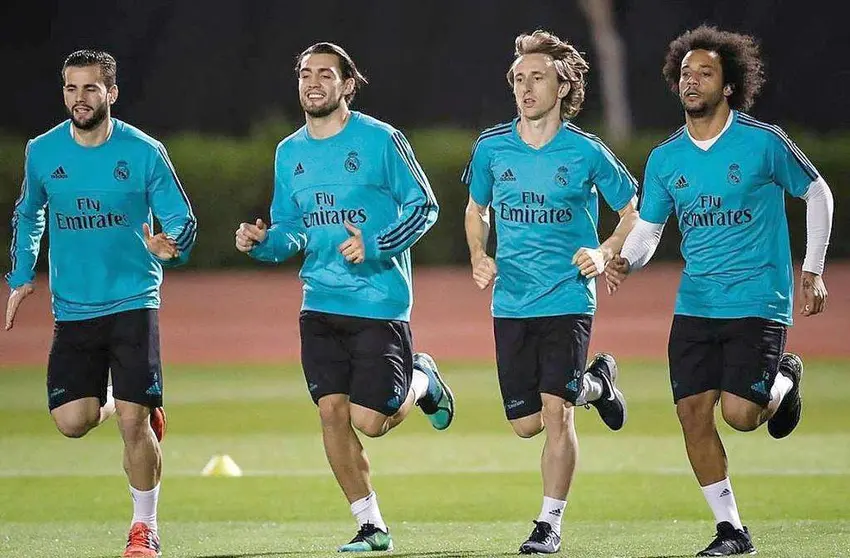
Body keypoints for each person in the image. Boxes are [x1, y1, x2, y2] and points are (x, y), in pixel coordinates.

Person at [605, 25, 834, 556]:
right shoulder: (665, 159)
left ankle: (783, 381)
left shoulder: (762, 142)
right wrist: (626, 261)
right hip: (696, 306)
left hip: (758, 301)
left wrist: (814, 268)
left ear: (728, 85)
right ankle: (731, 530)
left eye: (705, 72)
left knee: (741, 416)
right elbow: (650, 231)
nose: (692, 80)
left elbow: (817, 191)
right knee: (691, 414)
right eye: (686, 72)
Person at [234, 42, 454, 553]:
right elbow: (291, 229)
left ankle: (423, 379)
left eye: (325, 74)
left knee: (371, 422)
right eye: (305, 73)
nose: (313, 82)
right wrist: (265, 244)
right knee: (331, 411)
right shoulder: (288, 152)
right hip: (319, 303)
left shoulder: (381, 140)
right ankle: (370, 525)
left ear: (347, 85)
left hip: (379, 301)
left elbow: (426, 207)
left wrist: (376, 243)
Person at [4, 49, 197, 557]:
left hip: (134, 301)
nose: (79, 98)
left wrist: (170, 244)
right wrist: (22, 275)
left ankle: (143, 529)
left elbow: (182, 218)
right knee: (72, 422)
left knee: (134, 425)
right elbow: (29, 215)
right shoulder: (42, 151)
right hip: (73, 309)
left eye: (91, 88)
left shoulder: (144, 151)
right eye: (71, 88)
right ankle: (121, 399)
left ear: (111, 93)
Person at [462, 30, 638, 555]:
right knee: (525, 423)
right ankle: (598, 385)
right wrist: (478, 254)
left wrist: (605, 251)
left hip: (568, 298)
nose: (525, 87)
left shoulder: (586, 152)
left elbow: (634, 210)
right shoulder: (492, 148)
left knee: (556, 411)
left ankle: (548, 524)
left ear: (562, 86)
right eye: (518, 78)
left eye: (537, 77)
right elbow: (477, 209)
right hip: (511, 301)